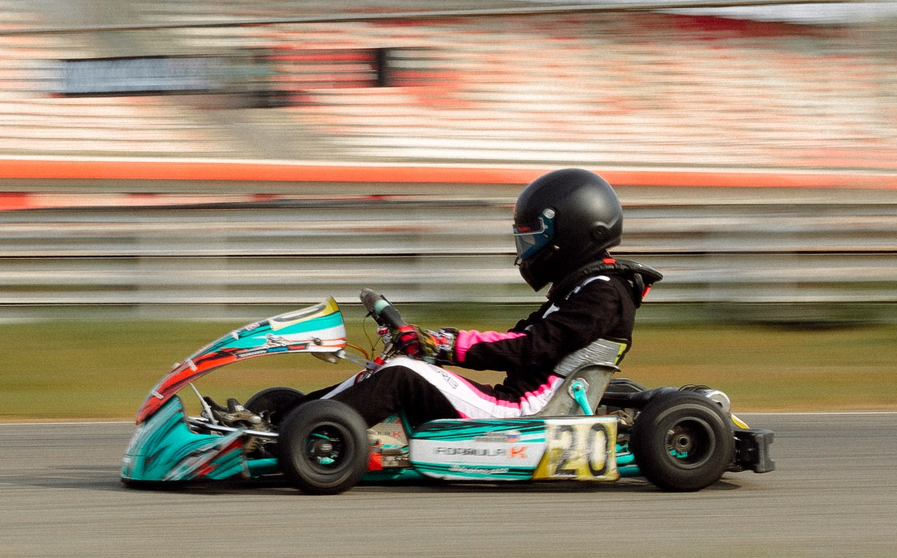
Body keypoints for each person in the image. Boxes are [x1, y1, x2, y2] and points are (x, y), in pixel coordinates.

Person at [282, 168, 660, 430]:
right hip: (520, 402)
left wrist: (440, 344)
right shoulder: (583, 287)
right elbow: (515, 341)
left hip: (528, 413)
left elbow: (529, 348)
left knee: (403, 377)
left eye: (536, 238)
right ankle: (287, 417)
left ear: (577, 231)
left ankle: (303, 430)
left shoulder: (603, 295)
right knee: (388, 371)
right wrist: (434, 344)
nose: (529, 249)